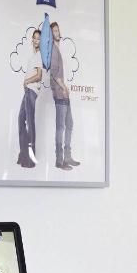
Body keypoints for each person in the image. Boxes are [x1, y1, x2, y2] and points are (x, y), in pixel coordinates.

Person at [49, 22, 80, 170]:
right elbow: (54, 73)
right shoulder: (53, 51)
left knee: (69, 124)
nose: (57, 32)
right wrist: (63, 87)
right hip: (60, 92)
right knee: (60, 127)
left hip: (65, 93)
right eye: (54, 31)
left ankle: (67, 156)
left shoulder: (59, 49)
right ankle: (59, 160)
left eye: (57, 30)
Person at [16, 29, 43, 168]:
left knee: (30, 122)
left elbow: (39, 76)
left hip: (31, 90)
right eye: (35, 38)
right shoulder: (34, 55)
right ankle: (23, 154)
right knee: (21, 119)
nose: (36, 40)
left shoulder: (39, 55)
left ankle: (31, 158)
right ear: (32, 39)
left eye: (39, 39)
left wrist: (26, 81)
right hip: (28, 90)